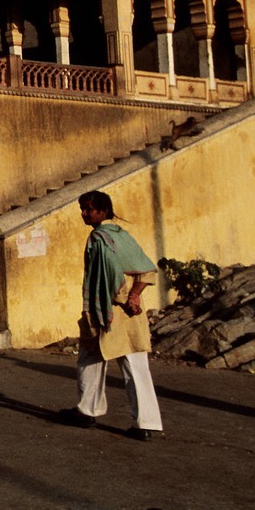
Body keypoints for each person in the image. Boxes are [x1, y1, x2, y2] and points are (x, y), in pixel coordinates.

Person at [55, 189, 164, 440]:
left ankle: (88, 410)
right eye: (82, 209)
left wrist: (126, 299)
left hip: (108, 309)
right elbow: (146, 270)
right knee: (134, 365)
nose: (84, 214)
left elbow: (111, 273)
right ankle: (145, 423)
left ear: (103, 211)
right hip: (129, 312)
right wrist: (135, 295)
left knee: (90, 359)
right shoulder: (122, 236)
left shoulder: (98, 238)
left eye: (89, 209)